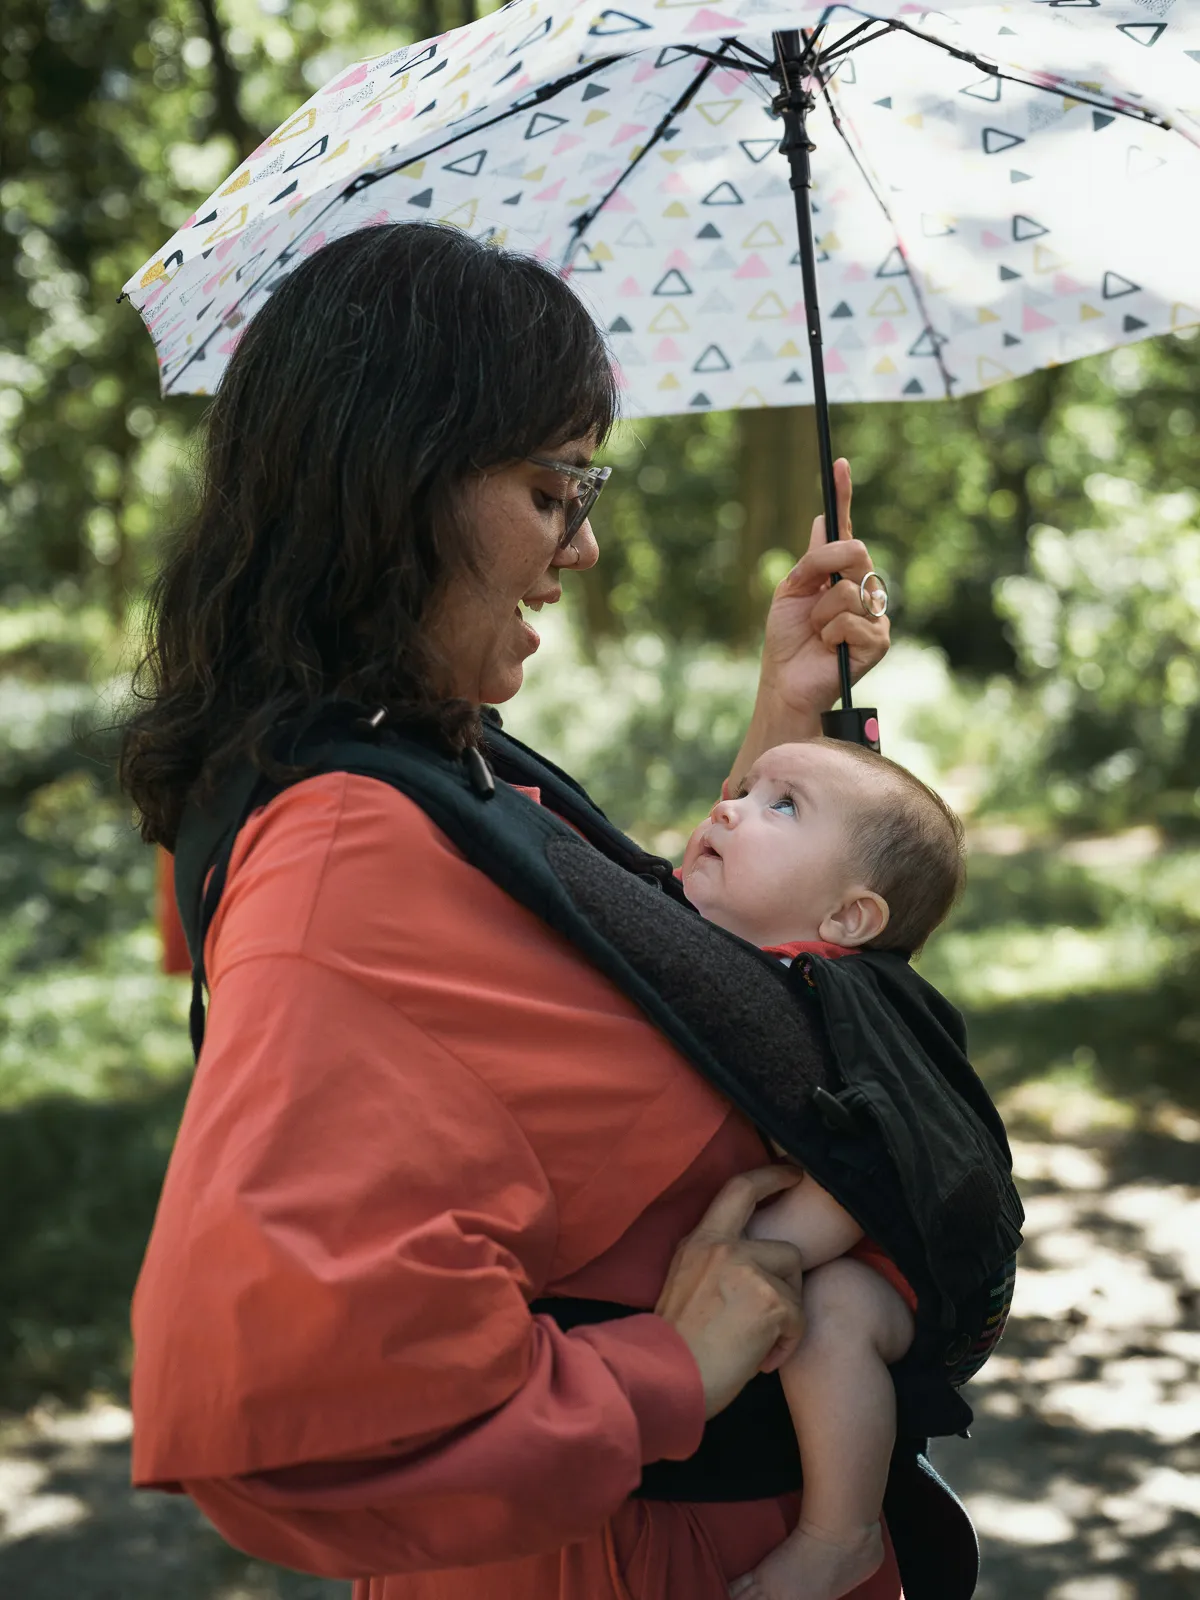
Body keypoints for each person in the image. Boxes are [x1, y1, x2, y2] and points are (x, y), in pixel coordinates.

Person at [119, 221, 933, 1600]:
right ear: (401, 488)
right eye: (559, 490)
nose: (588, 546)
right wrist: (667, 1370)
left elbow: (628, 984)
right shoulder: (340, 857)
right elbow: (275, 1430)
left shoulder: (417, 755)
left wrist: (786, 723)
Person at [677, 739, 966, 1600]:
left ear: (848, 919)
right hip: (836, 1243)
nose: (729, 807)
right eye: (743, 789)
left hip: (895, 1272)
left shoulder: (840, 1010)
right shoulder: (749, 965)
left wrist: (765, 1252)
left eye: (782, 806)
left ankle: (840, 1537)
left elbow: (865, 1170)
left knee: (832, 1312)